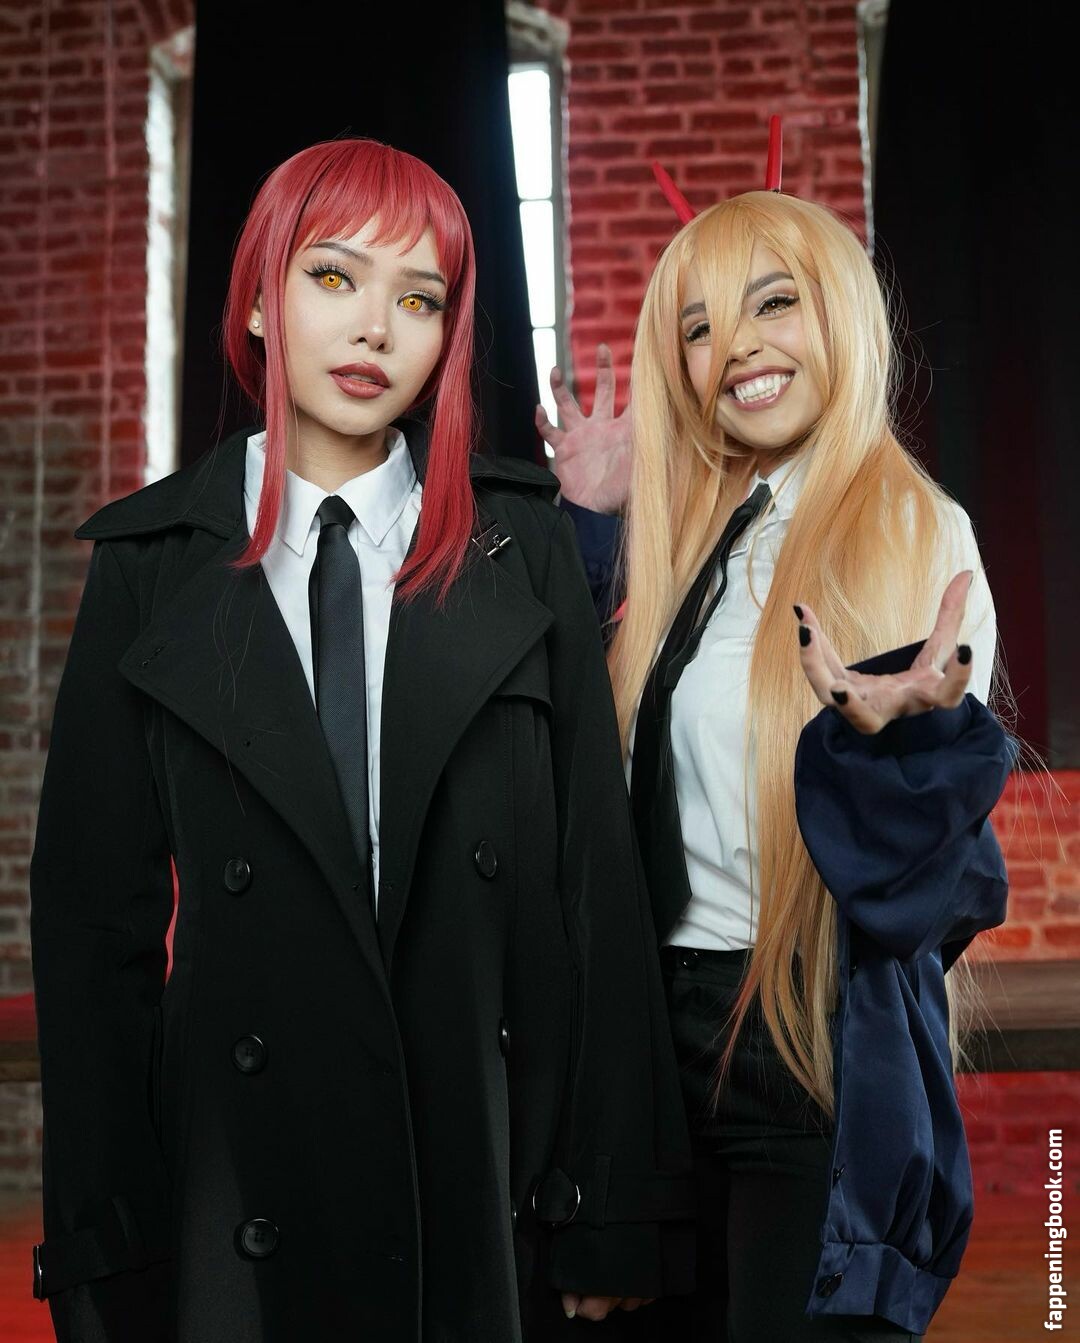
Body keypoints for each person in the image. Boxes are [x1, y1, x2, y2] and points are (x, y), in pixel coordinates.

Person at [28, 138, 695, 1343]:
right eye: (334, 277)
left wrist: (613, 1203)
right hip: (235, 1188)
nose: (376, 328)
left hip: (492, 1184)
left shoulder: (523, 545)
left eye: (419, 298)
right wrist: (106, 1243)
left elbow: (597, 883)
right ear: (257, 300)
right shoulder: (148, 564)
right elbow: (91, 934)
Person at [537, 189, 1014, 1340]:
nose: (738, 346)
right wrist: (591, 521)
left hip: (805, 1037)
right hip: (651, 1042)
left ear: (839, 312)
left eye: (773, 303)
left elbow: (920, 890)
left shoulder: (915, 530)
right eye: (700, 326)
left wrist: (897, 750)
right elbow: (570, 762)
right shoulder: (693, 534)